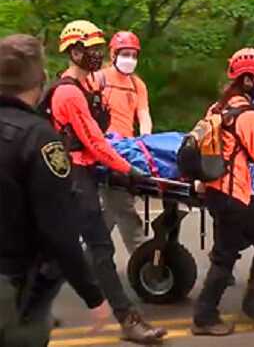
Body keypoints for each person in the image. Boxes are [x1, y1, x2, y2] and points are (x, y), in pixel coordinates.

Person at [45, 20, 166, 344]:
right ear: (74, 51)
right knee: (100, 248)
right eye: (93, 49)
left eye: (101, 49)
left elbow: (104, 136)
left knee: (61, 246)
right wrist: (127, 169)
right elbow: (94, 142)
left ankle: (31, 307)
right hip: (72, 175)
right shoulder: (70, 92)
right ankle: (128, 320)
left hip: (82, 171)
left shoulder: (89, 87)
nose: (98, 55)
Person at [0, 34, 111, 346]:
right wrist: (92, 295)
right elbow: (58, 230)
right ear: (39, 79)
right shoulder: (39, 140)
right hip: (12, 282)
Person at [191, 48, 254, 336]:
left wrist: (199, 180)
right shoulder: (250, 117)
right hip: (233, 196)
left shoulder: (216, 109)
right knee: (231, 253)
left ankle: (252, 303)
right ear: (247, 81)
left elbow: (202, 147)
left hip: (215, 192)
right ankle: (206, 317)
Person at [92, 31, 151, 255]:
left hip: (128, 149)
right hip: (104, 150)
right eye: (125, 54)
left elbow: (144, 114)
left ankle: (89, 259)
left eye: (134, 55)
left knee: (109, 209)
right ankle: (144, 261)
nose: (130, 59)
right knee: (122, 206)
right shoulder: (99, 79)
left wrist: (145, 140)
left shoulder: (137, 85)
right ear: (114, 54)